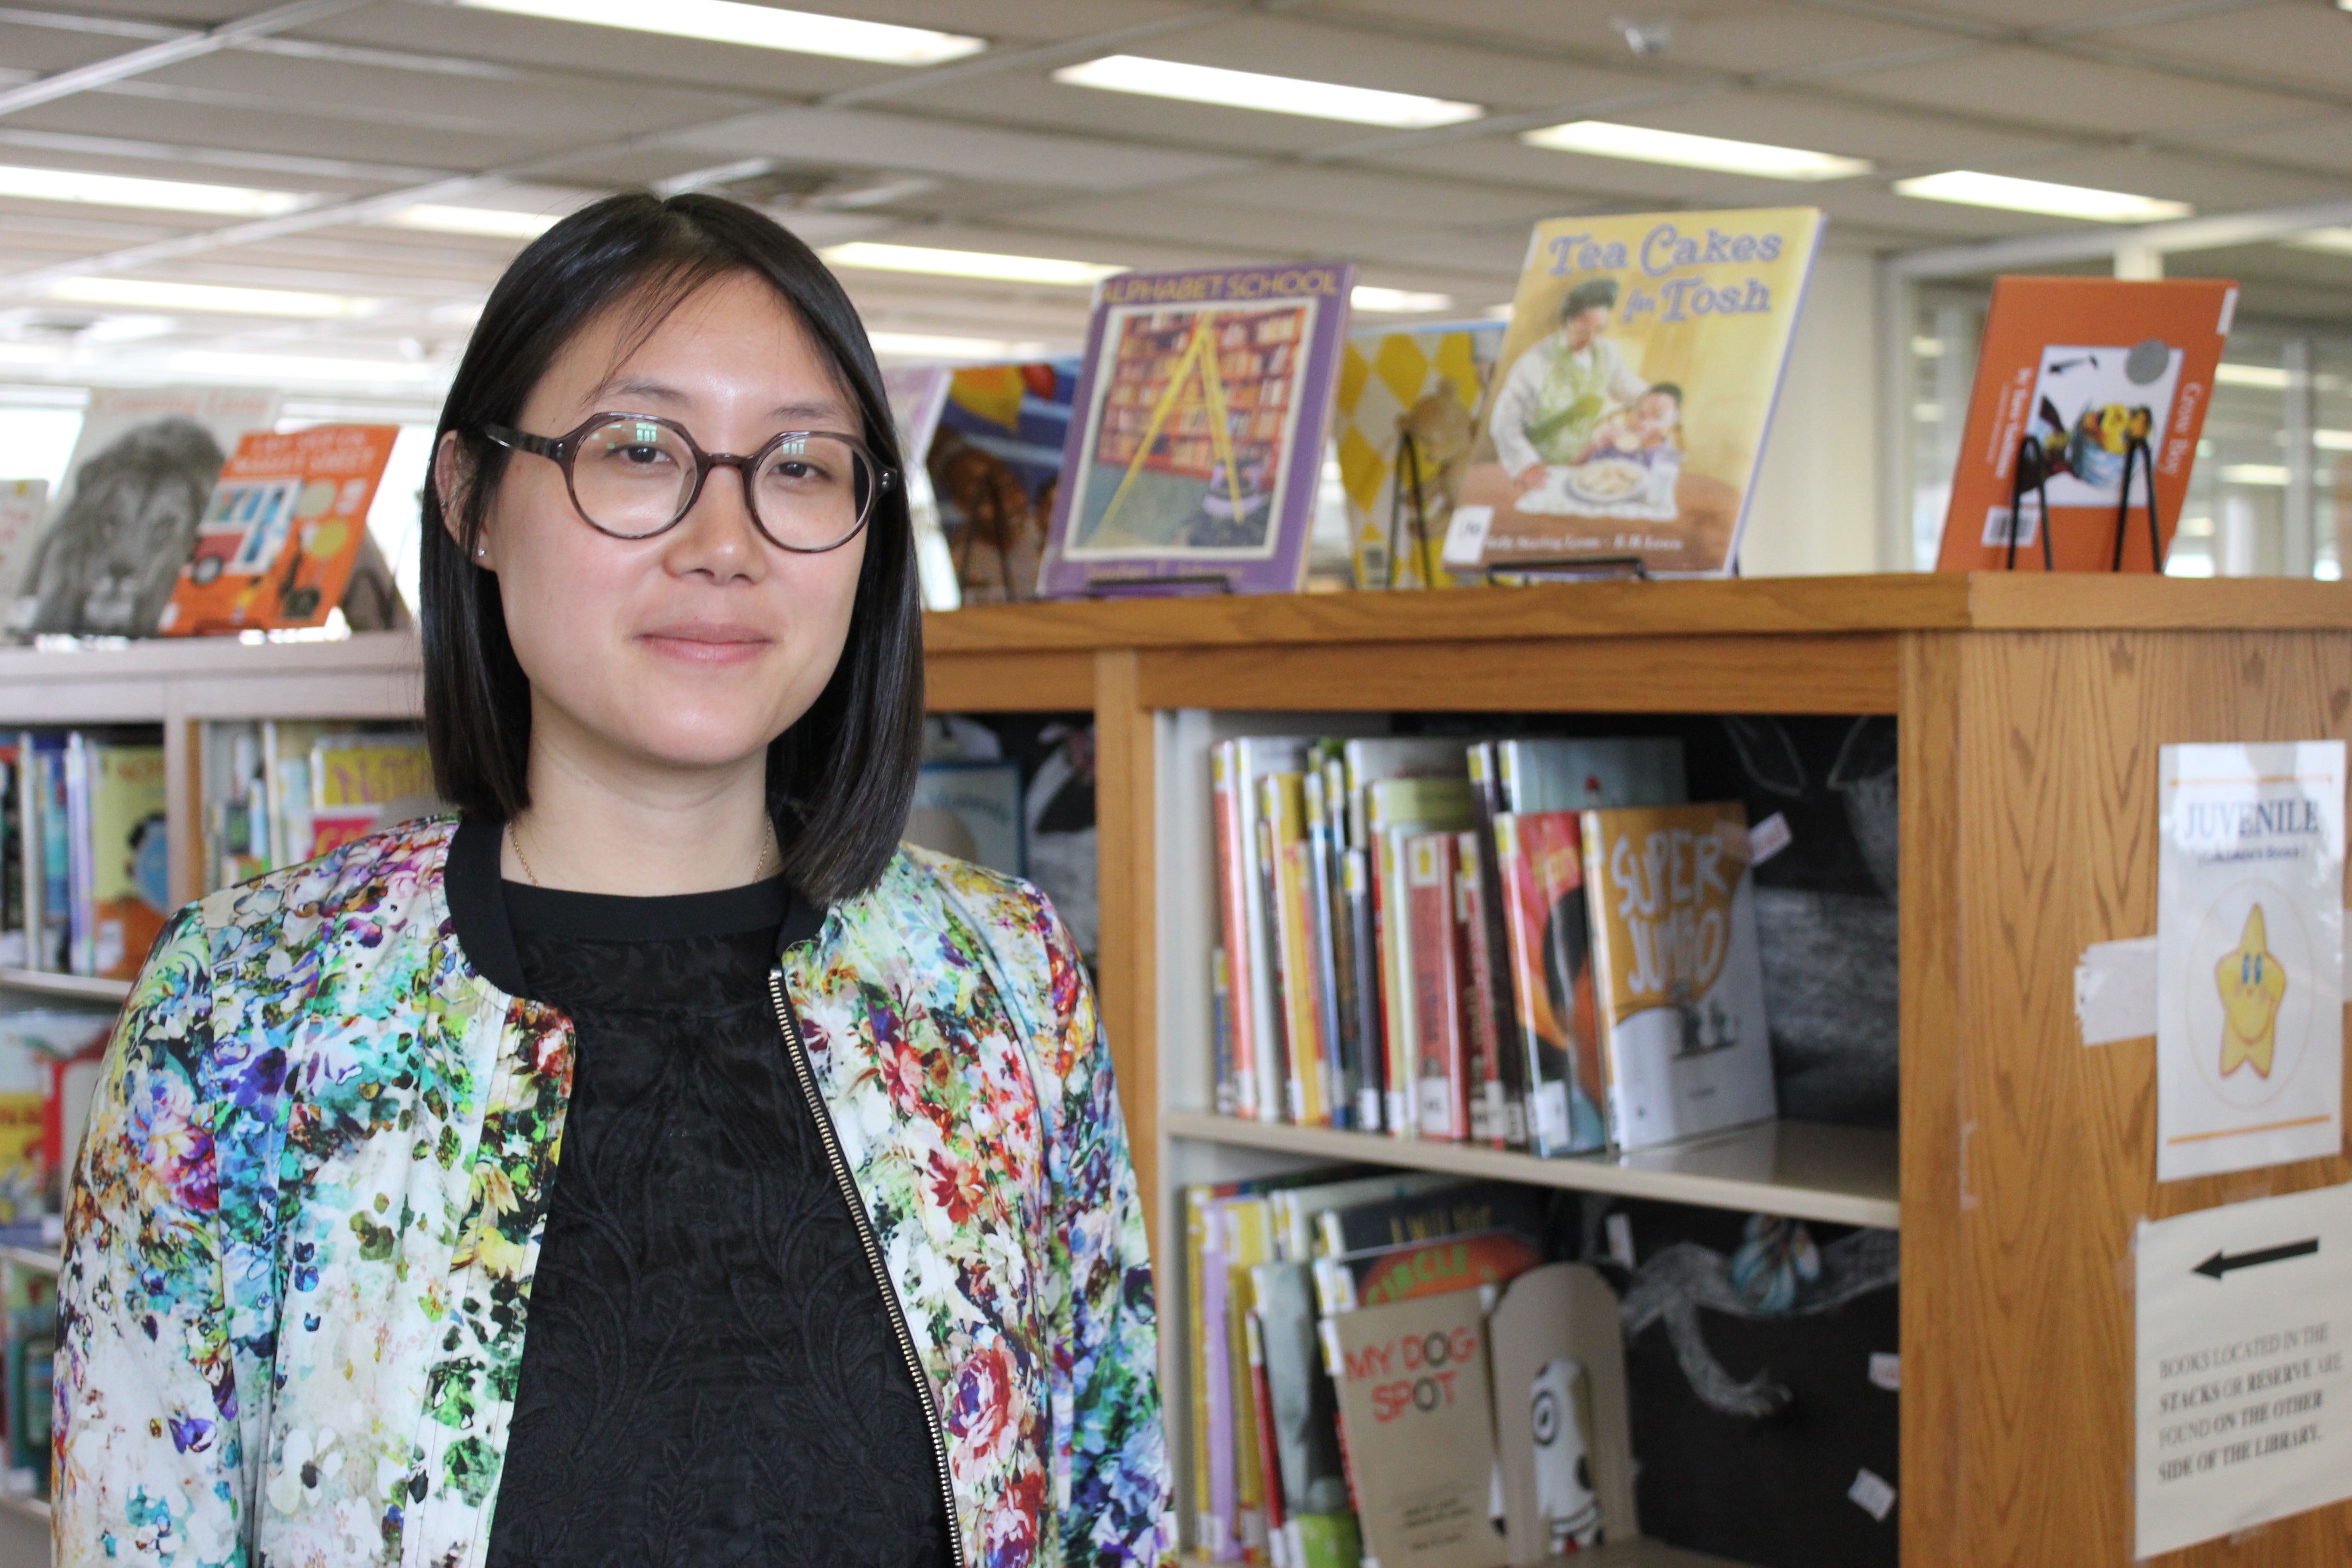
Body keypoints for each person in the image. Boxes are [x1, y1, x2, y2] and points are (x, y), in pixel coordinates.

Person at [52, 193, 1171, 1568]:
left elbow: (1107, 1503)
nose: (728, 539)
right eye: (638, 450)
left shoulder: (998, 983)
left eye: (804, 466)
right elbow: (141, 1524)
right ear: (471, 500)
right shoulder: (249, 1011)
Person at [1487, 277, 1649, 492]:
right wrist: (1526, 464)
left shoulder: (1605, 353)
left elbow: (1629, 387)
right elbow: (1503, 421)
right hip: (1541, 470)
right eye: (1583, 331)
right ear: (1568, 320)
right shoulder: (1536, 361)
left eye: (1598, 330)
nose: (1590, 338)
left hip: (1584, 468)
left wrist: (1656, 404)